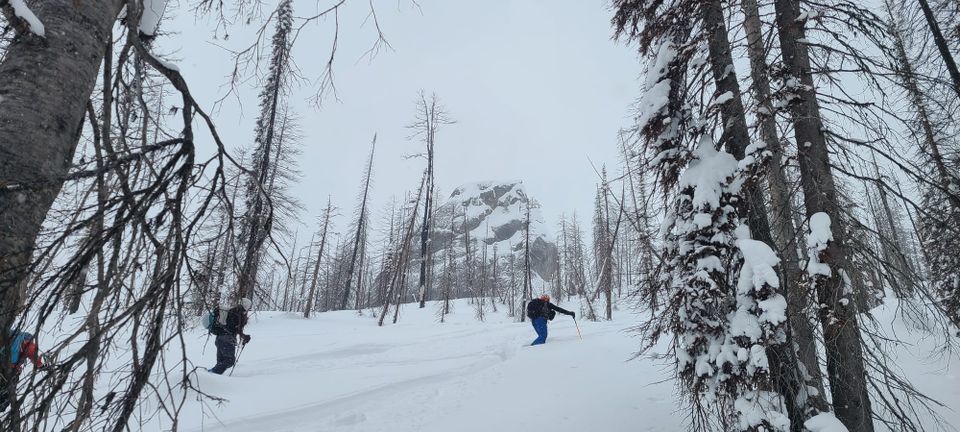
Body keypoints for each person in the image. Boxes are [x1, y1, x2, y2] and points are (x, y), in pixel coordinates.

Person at [1, 331, 45, 411]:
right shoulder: (28, 342)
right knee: (7, 392)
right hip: (11, 369)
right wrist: (41, 365)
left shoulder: (9, 336)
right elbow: (33, 354)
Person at [208, 298, 252, 375]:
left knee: (221, 362)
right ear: (246, 306)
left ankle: (211, 377)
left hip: (219, 338)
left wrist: (243, 336)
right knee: (229, 361)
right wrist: (244, 336)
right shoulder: (238, 314)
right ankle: (210, 374)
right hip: (227, 340)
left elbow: (232, 327)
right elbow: (234, 328)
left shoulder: (230, 311)